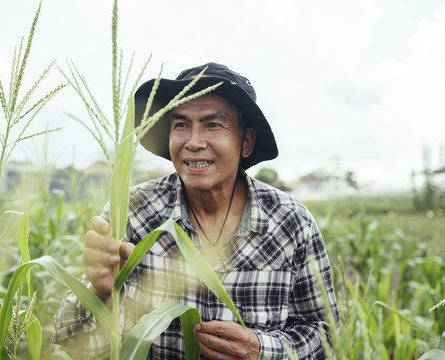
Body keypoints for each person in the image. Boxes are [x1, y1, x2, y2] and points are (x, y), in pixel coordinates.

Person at [53, 63, 340, 359]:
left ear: (247, 142)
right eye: (181, 125)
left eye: (213, 125)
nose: (193, 142)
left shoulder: (291, 222)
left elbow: (325, 335)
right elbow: (80, 347)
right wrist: (101, 295)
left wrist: (260, 349)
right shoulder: (132, 213)